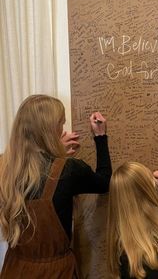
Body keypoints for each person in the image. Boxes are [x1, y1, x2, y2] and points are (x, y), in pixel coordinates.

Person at [0, 94, 112, 278]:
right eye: (61, 123)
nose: (62, 130)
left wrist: (56, 154)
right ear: (50, 129)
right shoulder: (69, 170)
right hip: (55, 272)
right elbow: (104, 182)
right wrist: (100, 136)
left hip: (14, 269)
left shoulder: (3, 168)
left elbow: (36, 174)